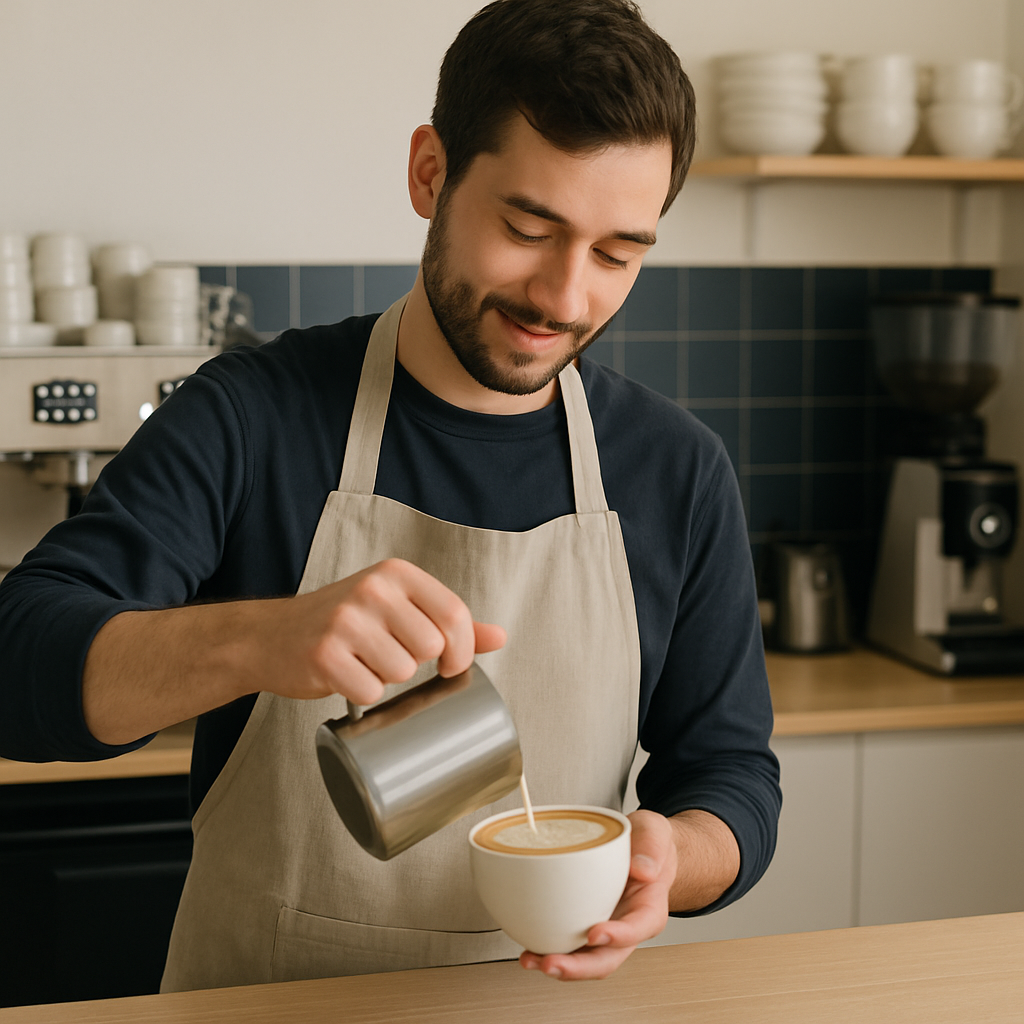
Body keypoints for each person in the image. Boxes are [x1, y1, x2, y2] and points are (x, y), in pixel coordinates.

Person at [0, 0, 780, 989]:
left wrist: (673, 857)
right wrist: (259, 639)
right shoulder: (252, 415)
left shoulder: (675, 469)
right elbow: (18, 660)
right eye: (528, 227)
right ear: (429, 172)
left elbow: (731, 777)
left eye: (618, 253)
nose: (565, 296)